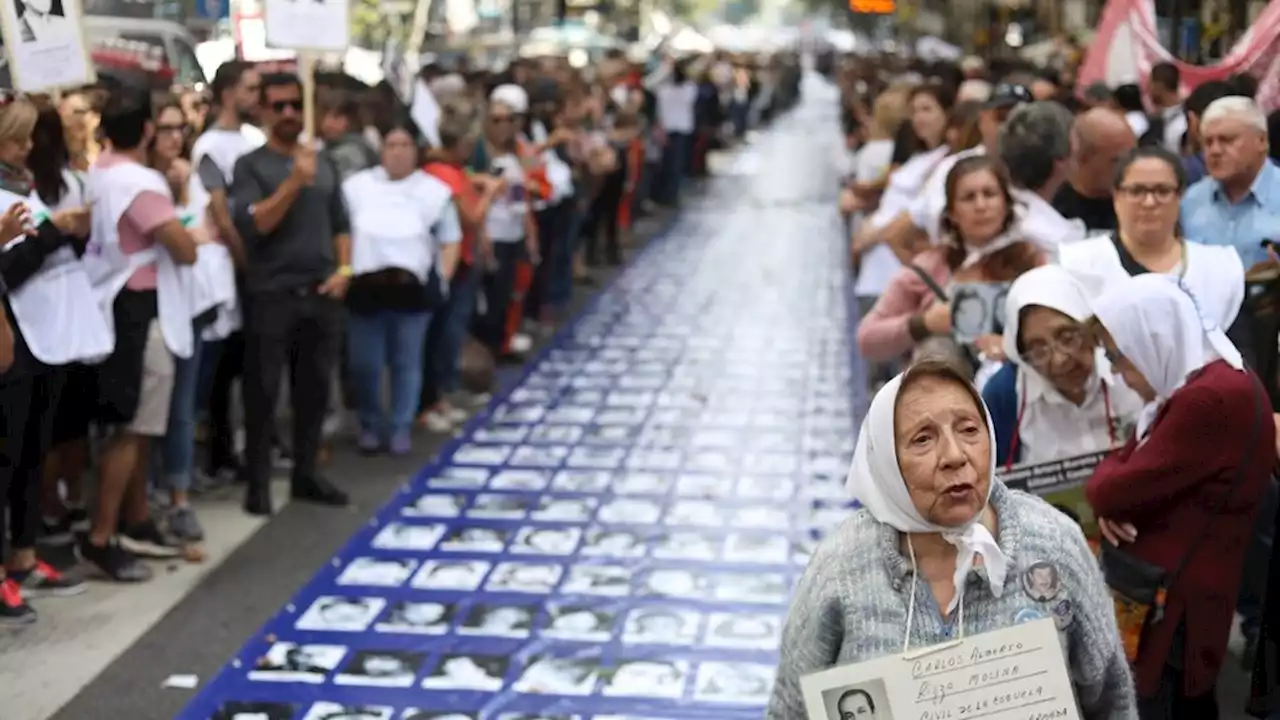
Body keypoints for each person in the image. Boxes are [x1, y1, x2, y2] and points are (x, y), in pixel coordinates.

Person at [767, 361, 1135, 718]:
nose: (955, 456)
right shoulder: (842, 565)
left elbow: (1110, 699)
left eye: (969, 430)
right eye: (923, 439)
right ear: (886, 462)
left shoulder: (1054, 544)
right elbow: (790, 709)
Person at [1085, 274, 1273, 719]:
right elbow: (1123, 470)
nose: (1115, 370)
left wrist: (1116, 492)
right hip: (1174, 600)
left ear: (1153, 338)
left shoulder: (1208, 399)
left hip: (1173, 613)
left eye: (1117, 354)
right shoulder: (1202, 385)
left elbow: (1106, 489)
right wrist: (1119, 486)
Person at [81, 83, 200, 580]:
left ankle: (135, 519)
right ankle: (101, 536)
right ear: (147, 130)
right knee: (133, 428)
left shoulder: (98, 173)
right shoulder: (142, 184)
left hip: (110, 300)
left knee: (135, 424)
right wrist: (185, 221)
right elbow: (183, 247)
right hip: (139, 308)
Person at [230, 72, 351, 515]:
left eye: (295, 106)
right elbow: (257, 223)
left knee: (314, 390)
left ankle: (306, 473)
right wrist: (294, 182)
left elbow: (341, 223)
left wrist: (345, 269)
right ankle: (258, 482)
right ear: (262, 111)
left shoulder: (325, 163)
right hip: (272, 292)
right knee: (263, 392)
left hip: (320, 290)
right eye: (278, 105)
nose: (288, 114)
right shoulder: (250, 166)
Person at [857, 155, 1044, 375]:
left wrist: (1009, 344)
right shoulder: (928, 269)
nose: (981, 205)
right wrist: (924, 323)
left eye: (989, 194)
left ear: (1006, 204)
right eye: (968, 197)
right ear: (952, 213)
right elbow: (867, 338)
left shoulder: (1033, 261)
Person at [342, 118, 460, 455]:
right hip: (366, 288)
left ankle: (400, 426)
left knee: (406, 362)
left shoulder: (433, 191)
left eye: (404, 145)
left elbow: (450, 239)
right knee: (365, 364)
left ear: (415, 151)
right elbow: (343, 232)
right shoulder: (357, 187)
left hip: (412, 290)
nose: (397, 153)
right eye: (391, 145)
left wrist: (443, 278)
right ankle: (369, 422)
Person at [983, 265, 1143, 468]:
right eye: (1038, 349)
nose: (1059, 359)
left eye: (1067, 338)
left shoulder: (1128, 367)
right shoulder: (1005, 394)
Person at [1051, 108, 1135, 232]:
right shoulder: (1054, 212)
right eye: (1117, 160)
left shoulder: (1139, 204)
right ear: (1082, 157)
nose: (1130, 166)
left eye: (1133, 156)